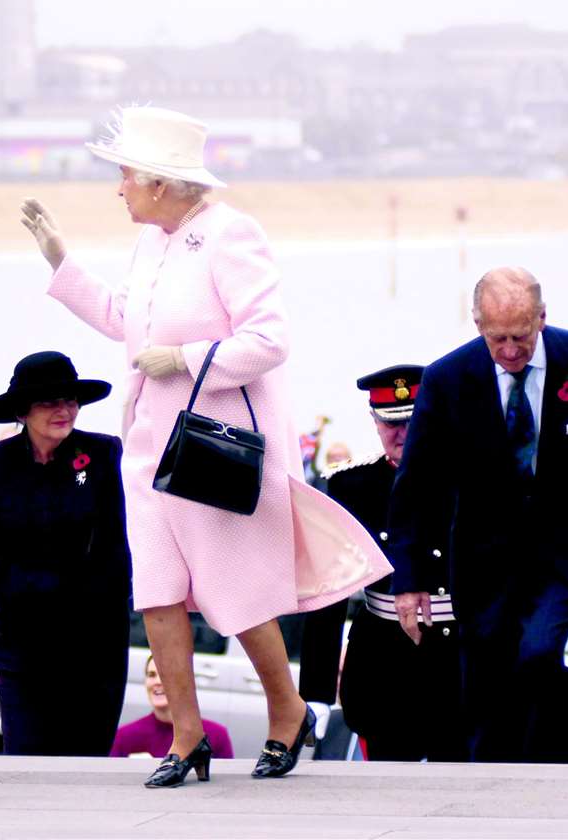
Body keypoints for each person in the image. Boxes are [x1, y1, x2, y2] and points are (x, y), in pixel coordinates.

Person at [21, 106, 388, 786]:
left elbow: (270, 337)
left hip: (214, 451)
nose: (120, 188)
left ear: (161, 182)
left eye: (127, 175)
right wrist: (61, 263)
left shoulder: (229, 234)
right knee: (157, 592)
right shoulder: (152, 243)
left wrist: (187, 358)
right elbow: (120, 318)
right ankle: (185, 738)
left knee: (236, 594)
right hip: (149, 448)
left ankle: (287, 713)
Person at [385, 267, 568, 764]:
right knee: (486, 673)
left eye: (522, 337)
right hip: (483, 560)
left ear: (542, 319)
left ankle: (550, 773)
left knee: (537, 652)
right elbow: (417, 485)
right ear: (478, 324)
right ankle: (493, 790)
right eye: (498, 338)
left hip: (566, 555)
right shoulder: (448, 379)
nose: (510, 350)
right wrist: (410, 579)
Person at [299, 365, 468, 762]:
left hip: (455, 659)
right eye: (389, 422)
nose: (401, 433)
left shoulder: (466, 478)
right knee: (388, 787)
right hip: (385, 661)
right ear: (373, 421)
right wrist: (317, 692)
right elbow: (330, 587)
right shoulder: (351, 486)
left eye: (412, 421)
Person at [0, 351, 131, 756]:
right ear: (22, 411)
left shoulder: (102, 455)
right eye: (49, 401)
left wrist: (92, 595)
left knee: (87, 764)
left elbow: (118, 546)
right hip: (23, 645)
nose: (64, 410)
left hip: (94, 643)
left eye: (70, 399)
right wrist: (42, 589)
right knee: (26, 762)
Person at [111, 654, 234, 761]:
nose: (157, 681)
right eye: (151, 675)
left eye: (165, 675)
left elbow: (226, 785)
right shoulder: (124, 736)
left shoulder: (216, 735)